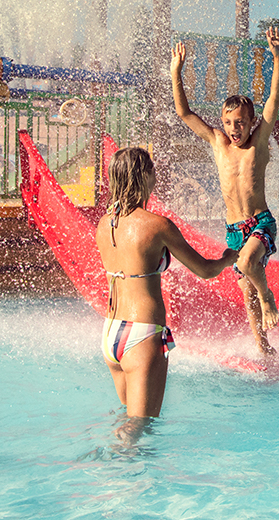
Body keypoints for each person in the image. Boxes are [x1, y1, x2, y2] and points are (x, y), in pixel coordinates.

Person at [94, 146, 237, 439]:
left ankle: (106, 471)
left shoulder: (104, 225)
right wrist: (228, 258)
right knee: (140, 427)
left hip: (111, 334)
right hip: (142, 334)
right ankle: (126, 478)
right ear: (145, 176)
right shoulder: (156, 225)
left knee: (126, 420)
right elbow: (205, 270)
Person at [171, 26, 279, 357]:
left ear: (252, 122)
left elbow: (274, 100)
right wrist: (176, 72)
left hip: (260, 222)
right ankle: (264, 348)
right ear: (222, 121)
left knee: (251, 264)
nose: (234, 128)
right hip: (234, 230)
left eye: (241, 122)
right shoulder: (218, 142)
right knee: (245, 296)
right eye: (229, 121)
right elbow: (184, 113)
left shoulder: (258, 144)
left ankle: (268, 298)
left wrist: (278, 58)